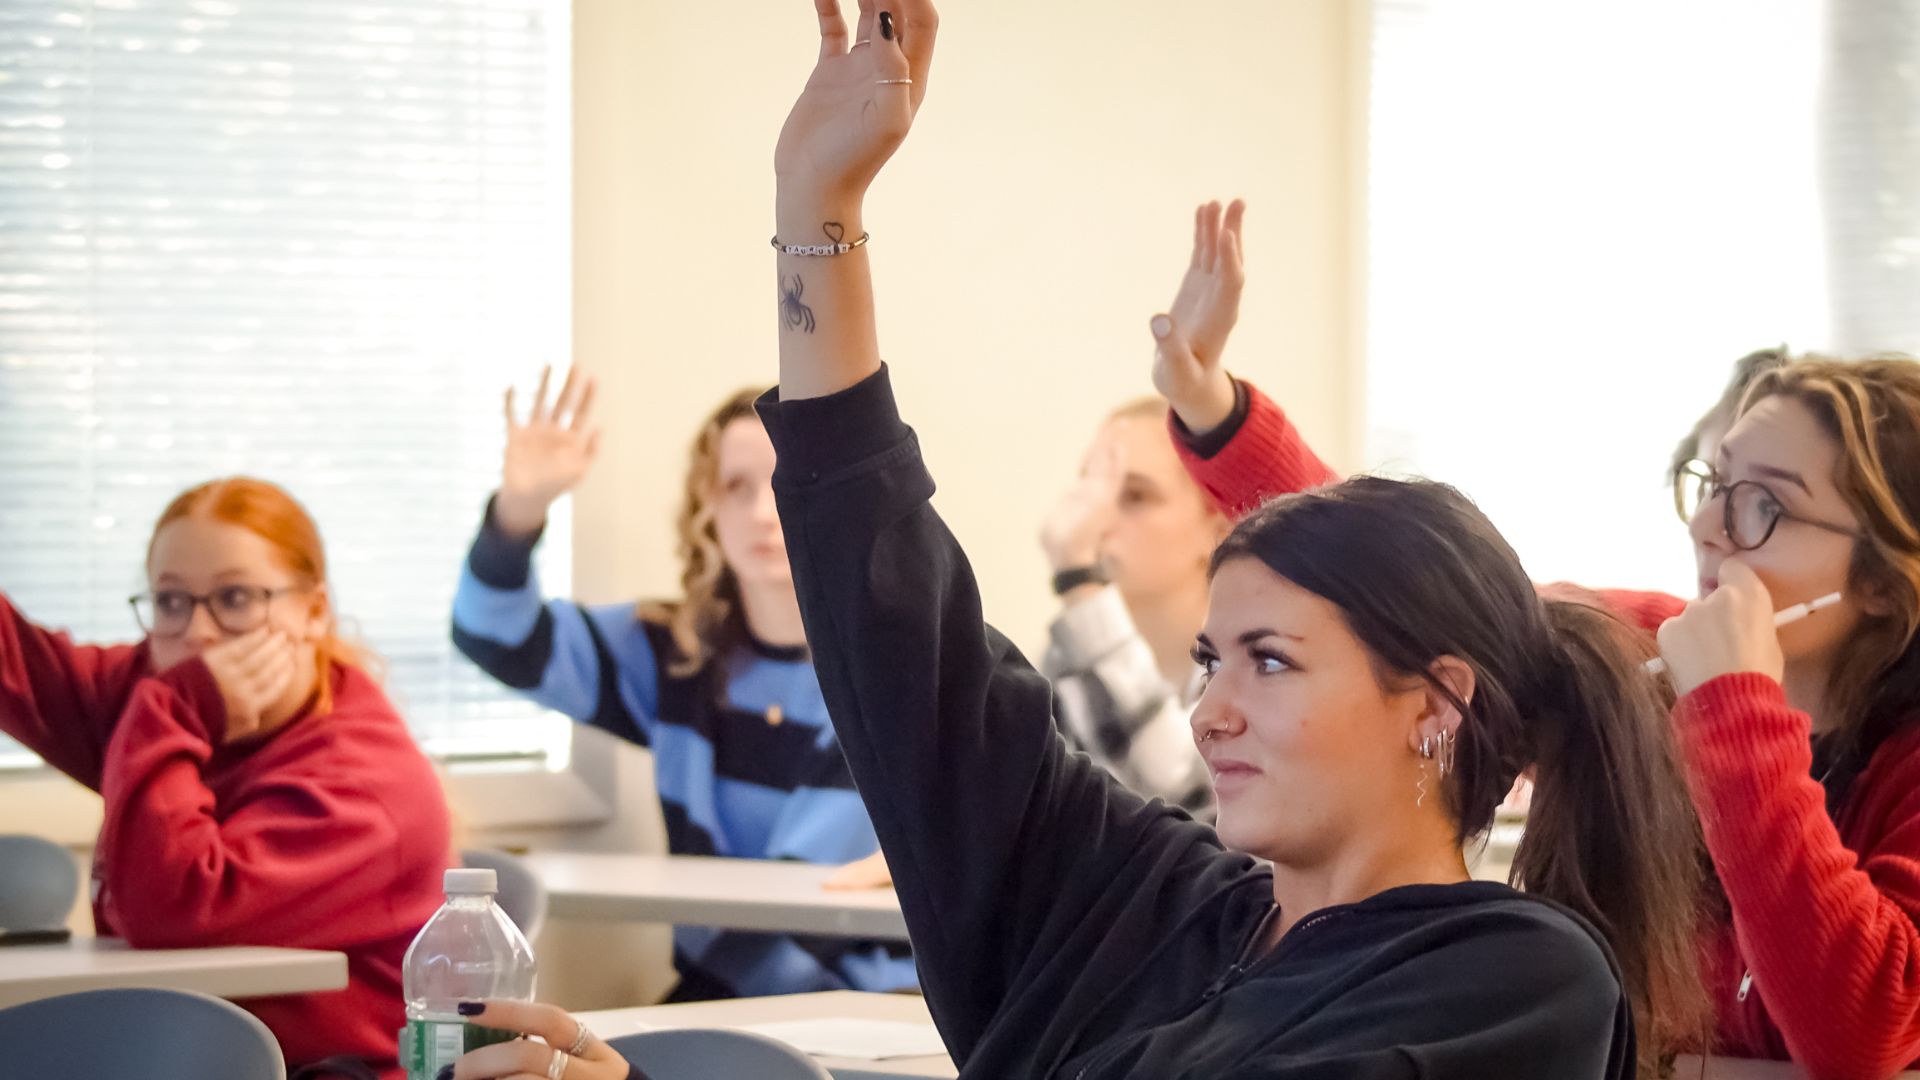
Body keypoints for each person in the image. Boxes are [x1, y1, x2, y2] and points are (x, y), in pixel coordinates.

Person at [1151, 203, 1920, 1078]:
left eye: (1763, 505)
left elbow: (1860, 1031)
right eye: (1714, 481)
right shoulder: (1652, 645)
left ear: (1882, 584)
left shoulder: (1866, 756)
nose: (1708, 525)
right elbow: (1410, 596)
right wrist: (1214, 410)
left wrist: (1738, 719)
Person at [449, 368, 915, 1000]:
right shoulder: (675, 655)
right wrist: (519, 512)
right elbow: (493, 634)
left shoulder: (892, 669)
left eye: (784, 484)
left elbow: (803, 913)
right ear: (706, 509)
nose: (760, 513)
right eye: (734, 487)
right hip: (723, 1003)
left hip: (869, 1014)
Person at [0, 477, 451, 1080]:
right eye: (171, 601)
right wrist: (175, 708)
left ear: (314, 612)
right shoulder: (166, 691)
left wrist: (177, 710)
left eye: (236, 599)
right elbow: (17, 662)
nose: (198, 633)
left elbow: (172, 912)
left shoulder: (367, 788)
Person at [1040, 398, 1228, 817]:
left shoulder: (1251, 670)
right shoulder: (1065, 663)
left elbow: (1187, 804)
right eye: (1093, 492)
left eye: (1136, 495)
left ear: (1217, 533)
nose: (1096, 519)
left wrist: (1080, 582)